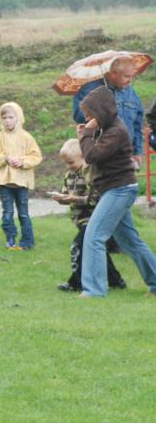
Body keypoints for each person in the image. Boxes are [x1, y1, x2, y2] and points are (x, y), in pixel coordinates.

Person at [77, 86, 156, 298]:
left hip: (119, 190)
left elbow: (91, 156)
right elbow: (92, 152)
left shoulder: (116, 131)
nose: (86, 116)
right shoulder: (107, 127)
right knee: (130, 241)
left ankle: (94, 290)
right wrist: (86, 134)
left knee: (94, 236)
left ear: (101, 111)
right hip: (115, 189)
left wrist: (86, 134)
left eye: (89, 112)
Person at [52, 138, 126, 292]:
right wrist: (62, 198)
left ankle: (76, 283)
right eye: (65, 163)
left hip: (93, 219)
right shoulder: (69, 176)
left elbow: (97, 199)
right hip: (80, 221)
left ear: (84, 158)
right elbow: (67, 195)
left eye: (71, 162)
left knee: (78, 247)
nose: (68, 167)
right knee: (98, 252)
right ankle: (116, 281)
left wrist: (75, 199)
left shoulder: (91, 175)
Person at [0, 102, 42, 250]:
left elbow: (36, 156)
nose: (7, 120)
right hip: (4, 182)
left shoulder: (26, 137)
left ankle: (27, 241)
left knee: (23, 213)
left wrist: (22, 161)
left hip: (21, 182)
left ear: (19, 117)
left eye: (11, 117)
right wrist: (5, 158)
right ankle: (10, 238)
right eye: (4, 117)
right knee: (7, 213)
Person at [72, 55, 145, 169]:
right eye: (127, 76)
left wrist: (138, 151)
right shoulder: (89, 89)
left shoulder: (131, 92)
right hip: (100, 154)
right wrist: (103, 115)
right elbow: (79, 116)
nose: (130, 80)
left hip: (126, 156)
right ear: (113, 73)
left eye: (132, 76)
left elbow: (137, 123)